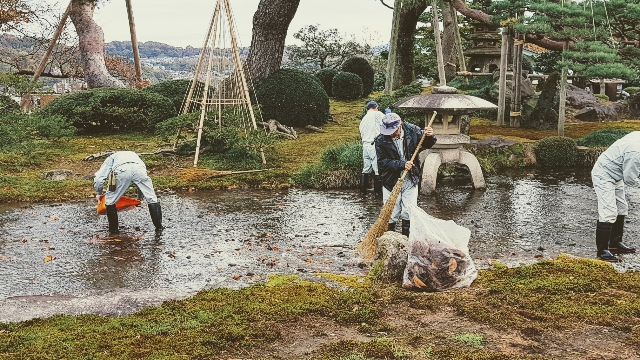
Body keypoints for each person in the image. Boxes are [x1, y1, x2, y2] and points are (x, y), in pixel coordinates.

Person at [375, 112, 436, 237]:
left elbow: (427, 144)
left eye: (393, 131)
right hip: (391, 180)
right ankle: (389, 240)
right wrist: (401, 164)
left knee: (409, 211)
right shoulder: (380, 140)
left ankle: (406, 241)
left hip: (410, 178)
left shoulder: (413, 131)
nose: (390, 134)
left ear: (400, 125)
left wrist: (429, 136)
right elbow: (382, 163)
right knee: (392, 212)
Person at [591, 131, 639, 262]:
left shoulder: (637, 135)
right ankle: (602, 251)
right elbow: (630, 179)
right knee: (609, 211)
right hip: (603, 174)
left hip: (617, 173)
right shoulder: (636, 153)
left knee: (622, 207)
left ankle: (615, 243)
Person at [94, 151, 163, 235]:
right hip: (139, 169)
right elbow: (140, 181)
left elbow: (99, 178)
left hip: (122, 170)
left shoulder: (110, 158)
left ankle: (114, 231)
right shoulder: (135, 155)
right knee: (152, 198)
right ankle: (159, 228)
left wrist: (99, 193)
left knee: (110, 201)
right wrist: (139, 198)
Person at [359, 101, 384, 197]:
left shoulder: (364, 118)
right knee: (377, 168)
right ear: (376, 107)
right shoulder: (377, 113)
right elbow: (387, 122)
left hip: (365, 145)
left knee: (366, 168)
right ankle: (378, 193)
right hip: (373, 144)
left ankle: (362, 192)